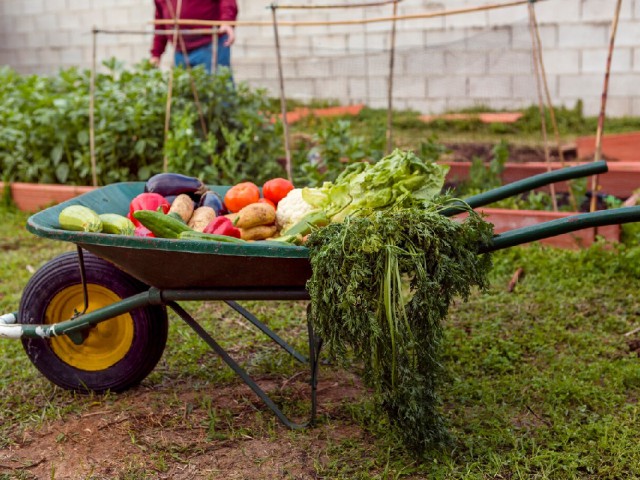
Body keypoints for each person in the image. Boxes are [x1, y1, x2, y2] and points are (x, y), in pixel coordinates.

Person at [150, 0, 238, 75]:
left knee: (217, 90)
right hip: (180, 51)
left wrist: (227, 22)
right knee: (184, 93)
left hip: (209, 44)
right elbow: (161, 21)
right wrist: (156, 53)